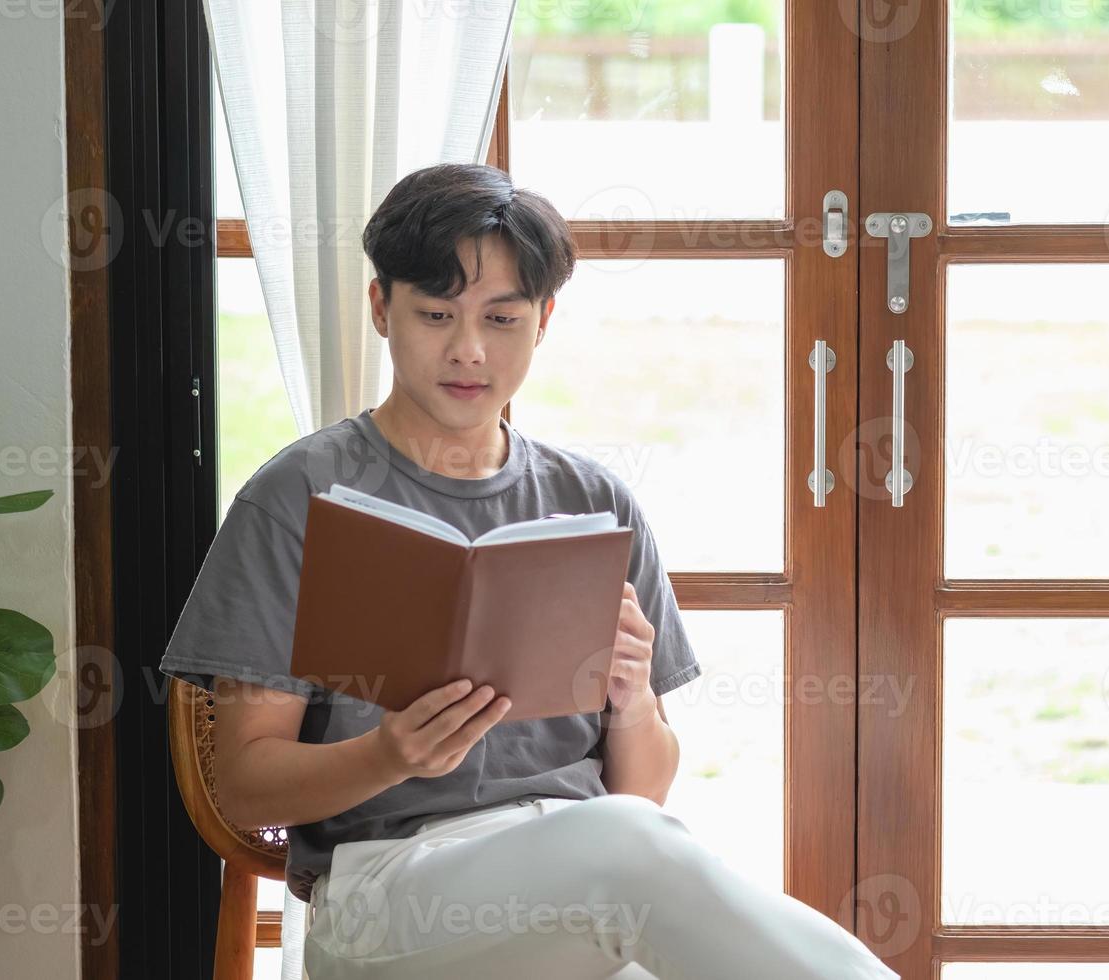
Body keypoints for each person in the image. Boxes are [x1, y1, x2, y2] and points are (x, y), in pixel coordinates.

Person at [158, 162, 900, 979]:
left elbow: (642, 791)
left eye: (502, 318)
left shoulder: (592, 500)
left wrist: (631, 700)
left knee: (636, 857)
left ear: (544, 320)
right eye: (436, 314)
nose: (469, 350)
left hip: (584, 879)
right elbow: (246, 786)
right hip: (389, 889)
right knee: (631, 856)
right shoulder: (300, 496)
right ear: (382, 309)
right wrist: (391, 755)